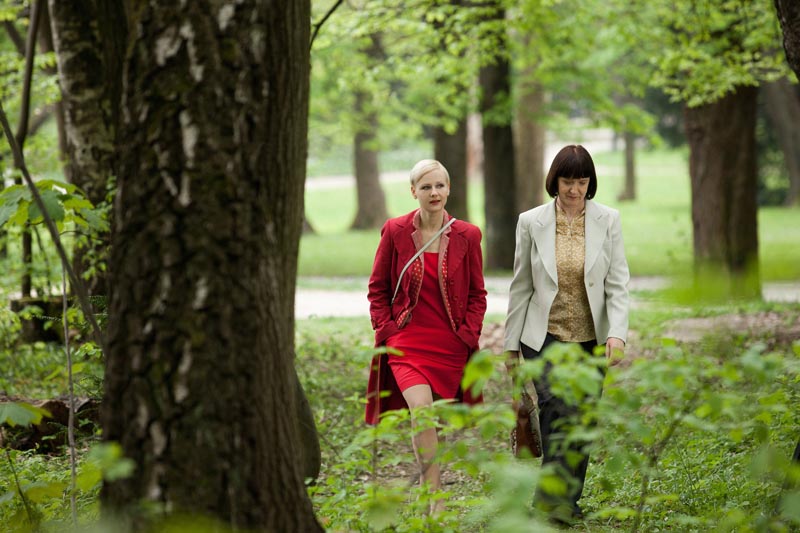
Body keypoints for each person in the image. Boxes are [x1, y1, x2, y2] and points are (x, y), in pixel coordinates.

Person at [503, 144, 630, 524]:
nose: (574, 189)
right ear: (554, 181)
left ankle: (568, 502)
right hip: (544, 336)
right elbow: (521, 285)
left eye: (581, 181)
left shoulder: (608, 220)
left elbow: (618, 282)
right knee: (558, 411)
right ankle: (547, 505)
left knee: (583, 420)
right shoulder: (531, 221)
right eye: (567, 181)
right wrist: (510, 345)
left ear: (590, 183)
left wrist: (618, 334)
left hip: (591, 337)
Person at [365, 159, 487, 513]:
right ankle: (435, 498)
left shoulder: (468, 234)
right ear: (413, 191)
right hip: (407, 342)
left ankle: (427, 483)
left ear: (449, 189)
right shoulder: (395, 230)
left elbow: (478, 294)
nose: (434, 193)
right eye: (426, 187)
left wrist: (467, 334)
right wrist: (387, 330)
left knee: (435, 422)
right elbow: (378, 288)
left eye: (440, 186)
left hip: (450, 344)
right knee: (421, 411)